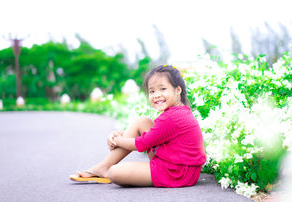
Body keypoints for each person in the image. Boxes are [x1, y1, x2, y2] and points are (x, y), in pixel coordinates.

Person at [70, 64, 206, 187]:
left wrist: (117, 140)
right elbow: (154, 136)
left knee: (115, 172)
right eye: (152, 91)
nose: (157, 95)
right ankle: (103, 167)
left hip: (177, 173)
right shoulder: (177, 112)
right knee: (143, 122)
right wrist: (121, 135)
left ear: (177, 90)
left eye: (163, 89)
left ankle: (106, 168)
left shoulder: (172, 117)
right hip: (182, 167)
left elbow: (143, 144)